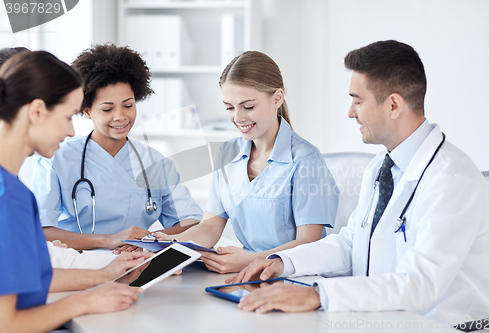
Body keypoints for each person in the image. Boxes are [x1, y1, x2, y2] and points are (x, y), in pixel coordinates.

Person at [230, 40, 489, 323]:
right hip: (385, 320)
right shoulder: (383, 167)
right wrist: (282, 262)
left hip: (450, 326)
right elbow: (351, 244)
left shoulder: (451, 179)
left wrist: (319, 295)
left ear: (393, 104)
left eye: (357, 101)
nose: (350, 111)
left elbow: (420, 284)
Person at [0, 50, 153, 333]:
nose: (71, 131)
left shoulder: (11, 187)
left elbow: (23, 279)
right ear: (36, 112)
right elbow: (6, 324)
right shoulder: (9, 198)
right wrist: (83, 302)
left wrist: (106, 273)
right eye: (68, 116)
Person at [153, 51, 338, 274]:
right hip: (244, 274)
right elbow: (211, 226)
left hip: (296, 276)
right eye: (230, 107)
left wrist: (251, 259)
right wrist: (172, 244)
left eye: (248, 106)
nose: (238, 118)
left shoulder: (306, 160)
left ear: (277, 98)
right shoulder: (227, 154)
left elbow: (309, 243)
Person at [31, 44, 203, 252]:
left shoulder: (154, 161)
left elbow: (191, 222)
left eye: (128, 105)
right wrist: (109, 240)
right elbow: (42, 231)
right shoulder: (57, 159)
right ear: (86, 111)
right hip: (79, 263)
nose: (120, 116)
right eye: (107, 108)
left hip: (139, 262)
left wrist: (148, 241)